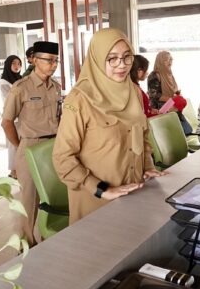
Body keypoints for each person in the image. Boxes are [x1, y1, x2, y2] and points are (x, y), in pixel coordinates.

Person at [53, 29, 165, 224]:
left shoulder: (134, 92)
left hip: (134, 195)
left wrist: (147, 166)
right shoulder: (80, 99)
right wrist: (101, 189)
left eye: (126, 57)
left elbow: (142, 137)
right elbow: (63, 158)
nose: (121, 65)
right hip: (96, 202)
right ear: (97, 59)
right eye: (112, 59)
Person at [1, 41, 61, 245]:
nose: (53, 65)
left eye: (55, 60)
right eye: (48, 60)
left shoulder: (56, 86)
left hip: (54, 145)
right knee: (29, 200)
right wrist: (21, 147)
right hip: (31, 146)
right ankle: (26, 245)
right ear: (34, 60)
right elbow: (6, 122)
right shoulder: (21, 88)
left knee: (52, 195)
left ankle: (48, 237)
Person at [147, 51, 193, 135]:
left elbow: (172, 91)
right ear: (160, 61)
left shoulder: (170, 74)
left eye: (171, 59)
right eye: (166, 60)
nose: (170, 62)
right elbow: (153, 95)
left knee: (188, 130)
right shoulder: (154, 75)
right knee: (180, 133)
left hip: (173, 108)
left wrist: (176, 94)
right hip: (160, 111)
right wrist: (172, 99)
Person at [0, 55, 23, 177]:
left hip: (21, 118)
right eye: (14, 63)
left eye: (19, 64)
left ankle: (19, 169)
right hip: (11, 118)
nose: (17, 66)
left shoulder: (20, 79)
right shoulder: (4, 81)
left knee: (19, 144)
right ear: (8, 65)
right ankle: (13, 171)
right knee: (13, 145)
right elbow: (9, 99)